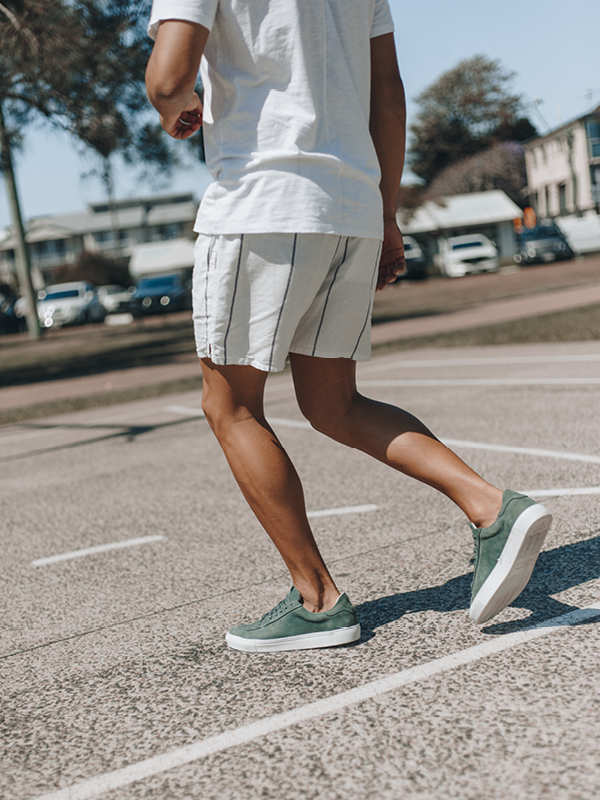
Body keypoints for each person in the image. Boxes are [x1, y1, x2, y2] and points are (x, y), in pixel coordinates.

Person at [145, 0, 552, 653]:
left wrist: (174, 105)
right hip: (354, 202)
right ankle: (490, 506)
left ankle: (318, 600)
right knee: (335, 403)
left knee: (231, 406)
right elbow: (388, 96)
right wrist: (387, 213)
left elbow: (168, 77)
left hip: (264, 200)